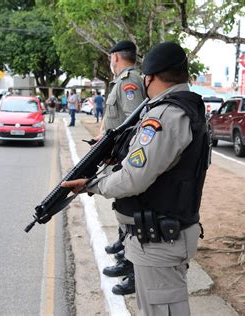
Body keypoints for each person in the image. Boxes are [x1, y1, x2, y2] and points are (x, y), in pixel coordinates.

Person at [62, 42, 210, 315]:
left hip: (160, 239)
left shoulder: (164, 115)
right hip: (164, 232)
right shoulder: (186, 106)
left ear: (150, 77)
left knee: (161, 309)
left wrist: (93, 184)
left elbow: (134, 179)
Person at [94, 40, 145, 296]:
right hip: (119, 155)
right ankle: (126, 255)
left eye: (109, 58)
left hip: (128, 158)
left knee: (132, 211)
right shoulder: (122, 80)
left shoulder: (129, 81)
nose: (109, 62)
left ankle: (134, 269)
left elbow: (134, 122)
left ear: (115, 57)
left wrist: (116, 151)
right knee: (124, 207)